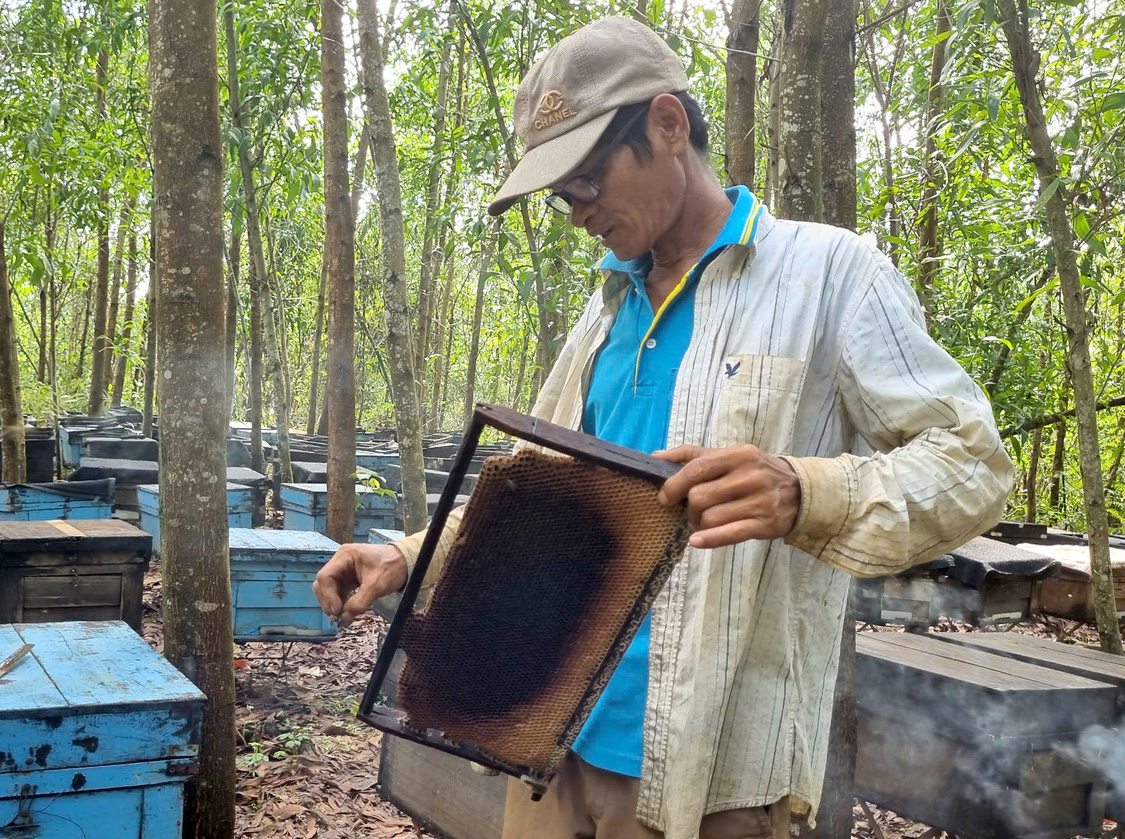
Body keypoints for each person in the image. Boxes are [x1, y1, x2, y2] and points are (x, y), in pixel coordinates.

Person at [313, 15, 1013, 839]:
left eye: (585, 181)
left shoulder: (832, 276)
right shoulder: (605, 310)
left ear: (668, 126)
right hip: (545, 745)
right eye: (560, 195)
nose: (576, 213)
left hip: (705, 778)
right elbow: (543, 508)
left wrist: (805, 491)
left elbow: (975, 465)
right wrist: (408, 555)